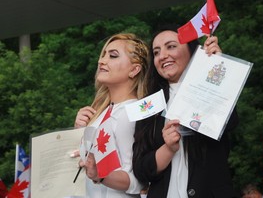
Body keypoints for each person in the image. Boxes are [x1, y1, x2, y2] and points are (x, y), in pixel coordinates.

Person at [132, 24, 239, 198]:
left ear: (191, 51)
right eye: (156, 52)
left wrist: (217, 65)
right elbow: (140, 170)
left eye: (171, 46)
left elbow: (231, 122)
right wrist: (168, 148)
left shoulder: (211, 89)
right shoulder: (148, 105)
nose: (163, 56)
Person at [74, 33, 149, 198]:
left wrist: (100, 174)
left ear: (134, 69)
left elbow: (137, 181)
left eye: (113, 56)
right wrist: (79, 132)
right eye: (103, 55)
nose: (102, 61)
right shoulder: (100, 112)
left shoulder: (132, 113)